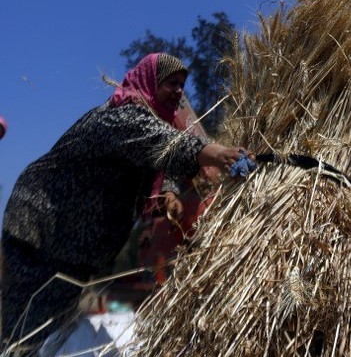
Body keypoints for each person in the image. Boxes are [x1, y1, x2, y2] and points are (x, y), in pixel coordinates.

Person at [1, 53, 246, 354]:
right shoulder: (122, 115)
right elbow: (164, 144)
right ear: (150, 82)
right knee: (28, 322)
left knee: (53, 322)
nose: (179, 91)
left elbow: (157, 161)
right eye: (171, 83)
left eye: (183, 85)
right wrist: (220, 154)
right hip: (43, 226)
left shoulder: (152, 123)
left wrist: (168, 192)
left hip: (72, 247)